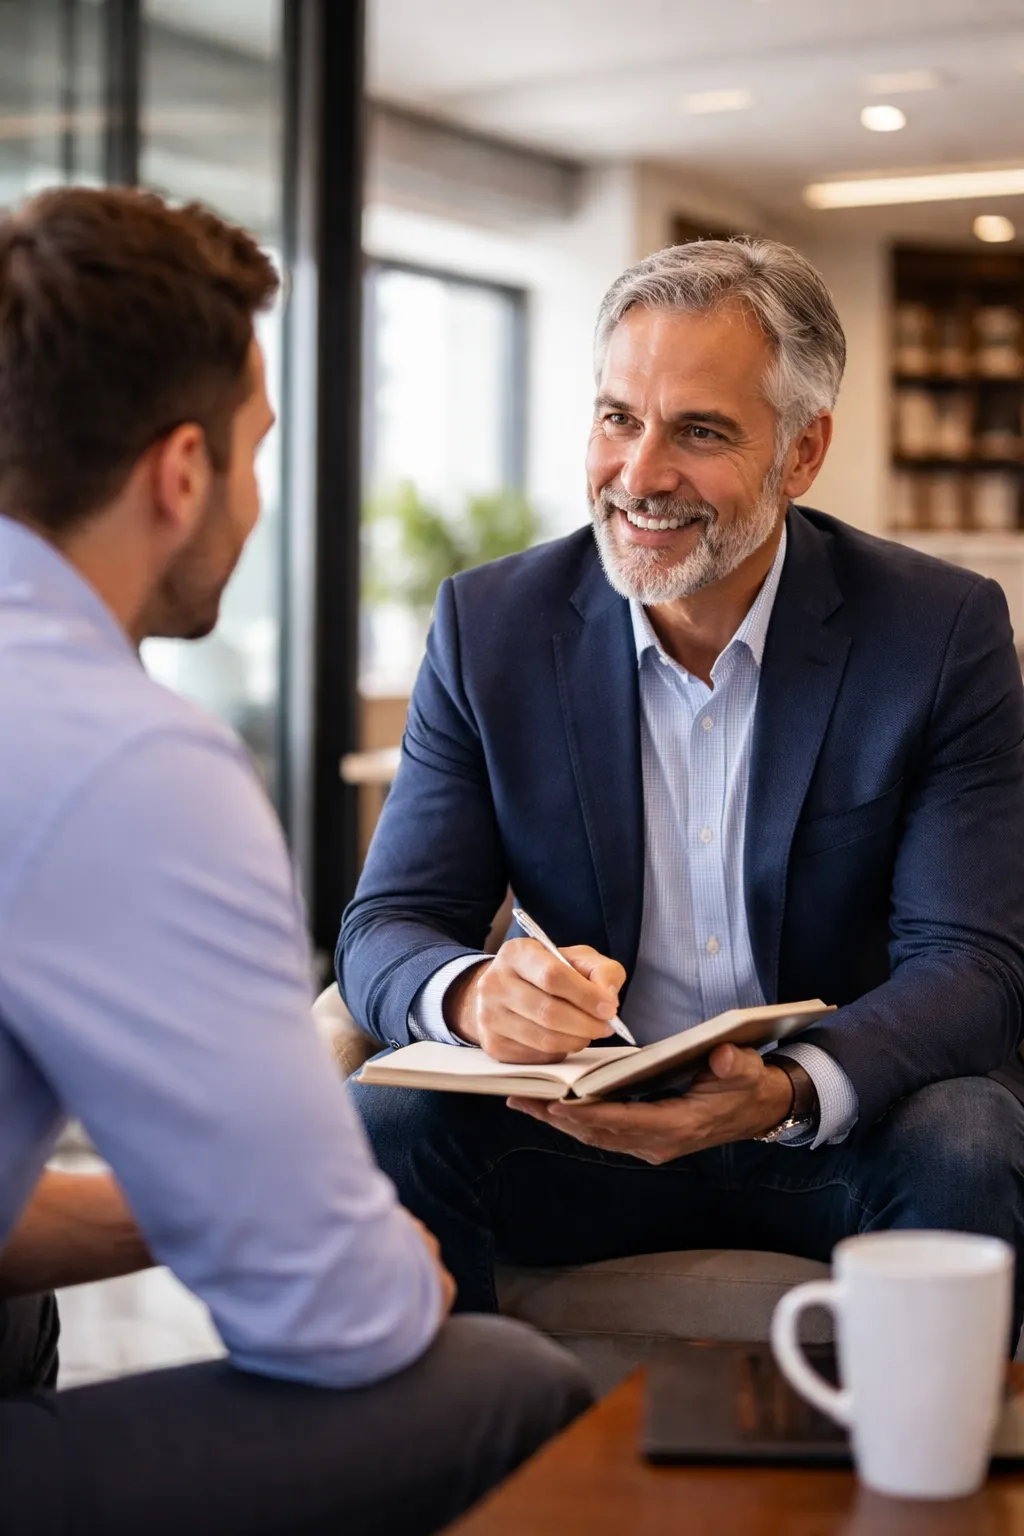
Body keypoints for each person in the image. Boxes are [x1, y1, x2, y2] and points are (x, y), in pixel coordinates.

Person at [0, 186, 591, 1536]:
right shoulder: (129, 760)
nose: (259, 497)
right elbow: (334, 1321)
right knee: (510, 1387)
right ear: (183, 472)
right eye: (257, 448)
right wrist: (360, 1254)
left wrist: (231, 1192)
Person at [341, 237, 1024, 1342]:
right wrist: (472, 997)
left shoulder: (938, 632)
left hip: (833, 1128)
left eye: (699, 432)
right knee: (388, 1119)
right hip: (578, 1131)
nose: (641, 473)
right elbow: (387, 924)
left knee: (970, 1137)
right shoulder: (491, 626)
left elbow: (975, 964)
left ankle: (916, 1448)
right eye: (619, 417)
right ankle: (466, 1441)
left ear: (801, 453)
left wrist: (791, 1088)